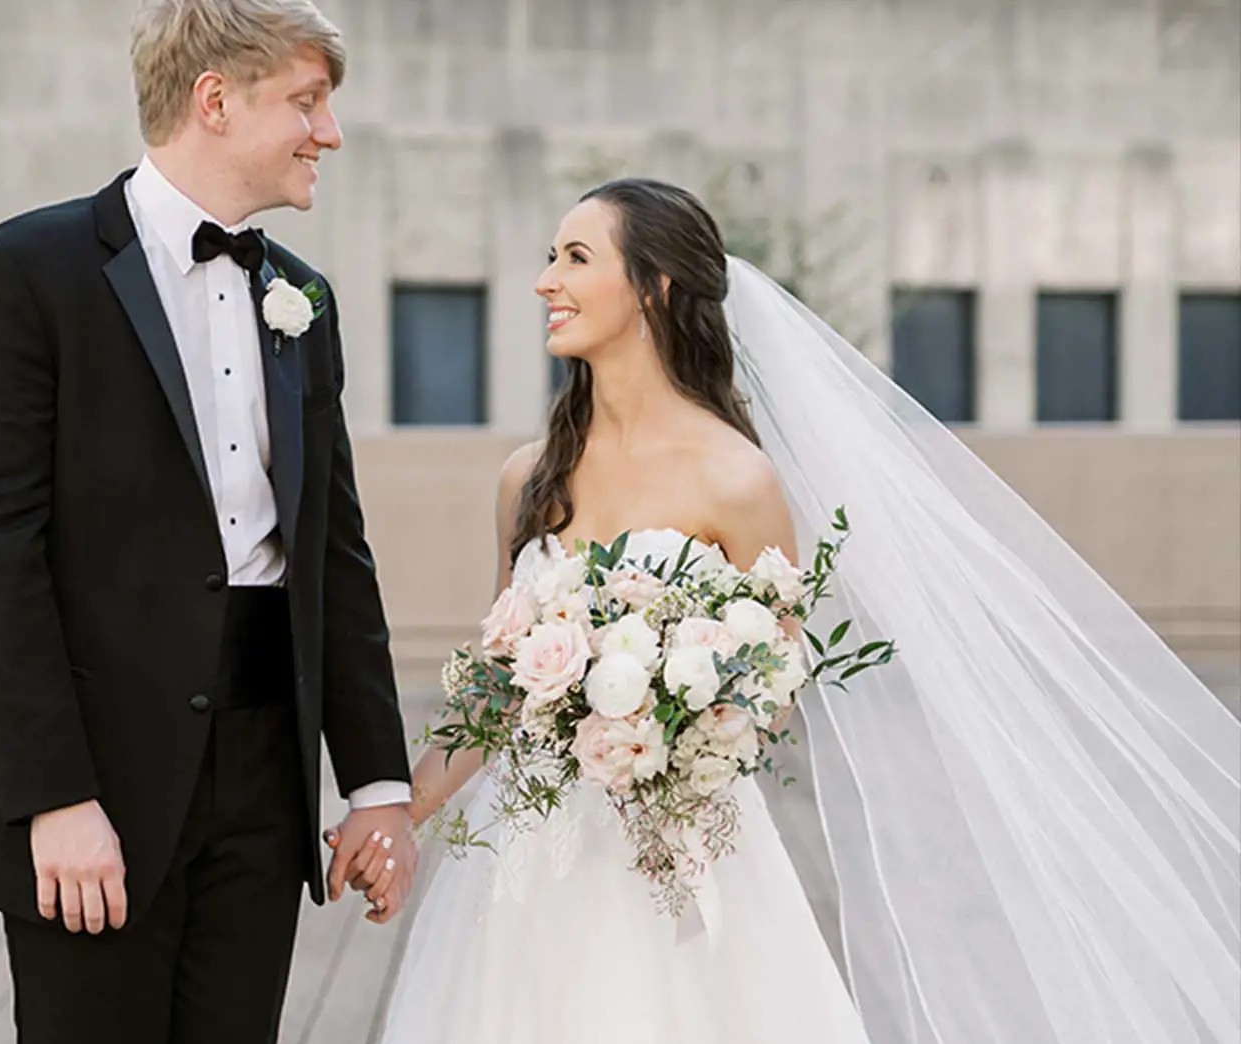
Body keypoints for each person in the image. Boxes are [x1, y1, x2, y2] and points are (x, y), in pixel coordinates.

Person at [374, 179, 1241, 1043]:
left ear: (655, 287)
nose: (544, 282)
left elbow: (772, 690)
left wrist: (667, 710)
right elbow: (492, 689)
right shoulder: (529, 478)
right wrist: (392, 814)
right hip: (525, 865)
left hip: (680, 860)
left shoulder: (736, 478)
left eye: (574, 257)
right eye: (548, 258)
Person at [0, 3, 417, 1041]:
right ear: (216, 100)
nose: (328, 132)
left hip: (263, 781)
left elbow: (334, 552)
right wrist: (54, 798)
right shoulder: (26, 272)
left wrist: (377, 784)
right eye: (308, 102)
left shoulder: (304, 300)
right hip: (96, 778)